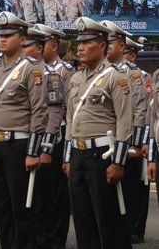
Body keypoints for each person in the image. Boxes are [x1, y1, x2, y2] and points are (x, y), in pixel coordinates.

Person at [64, 17, 132, 249]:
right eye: (79, 42)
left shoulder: (116, 77)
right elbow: (70, 119)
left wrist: (119, 162)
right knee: (83, 224)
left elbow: (125, 121)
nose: (80, 47)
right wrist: (68, 157)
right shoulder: (75, 79)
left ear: (102, 45)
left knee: (108, 223)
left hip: (103, 156)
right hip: (78, 155)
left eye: (87, 42)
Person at [0, 11, 46, 248]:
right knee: (0, 207)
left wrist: (32, 152)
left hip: (18, 145)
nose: (2, 39)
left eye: (9, 35)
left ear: (22, 39)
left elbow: (39, 111)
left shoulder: (32, 69)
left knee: (21, 207)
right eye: (0, 35)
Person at [101, 20, 148, 247]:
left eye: (109, 44)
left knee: (125, 196)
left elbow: (139, 109)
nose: (105, 47)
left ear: (121, 46)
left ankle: (125, 235)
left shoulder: (132, 74)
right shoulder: (98, 72)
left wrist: (136, 145)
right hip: (102, 145)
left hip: (125, 143)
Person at [22, 26, 64, 249]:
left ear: (38, 48)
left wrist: (45, 149)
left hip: (45, 145)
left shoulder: (53, 75)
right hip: (25, 144)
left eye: (26, 45)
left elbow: (54, 115)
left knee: (43, 202)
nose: (22, 49)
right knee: (26, 204)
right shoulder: (20, 73)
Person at [34, 23, 75, 248]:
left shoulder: (64, 71)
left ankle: (57, 239)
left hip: (58, 136)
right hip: (36, 135)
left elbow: (67, 106)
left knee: (57, 194)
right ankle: (41, 236)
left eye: (43, 43)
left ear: (53, 45)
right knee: (39, 192)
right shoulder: (31, 69)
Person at [125, 36, 150, 244]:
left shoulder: (141, 77)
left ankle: (137, 228)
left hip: (137, 137)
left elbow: (145, 111)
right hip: (120, 139)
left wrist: (142, 141)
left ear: (132, 55)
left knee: (138, 186)